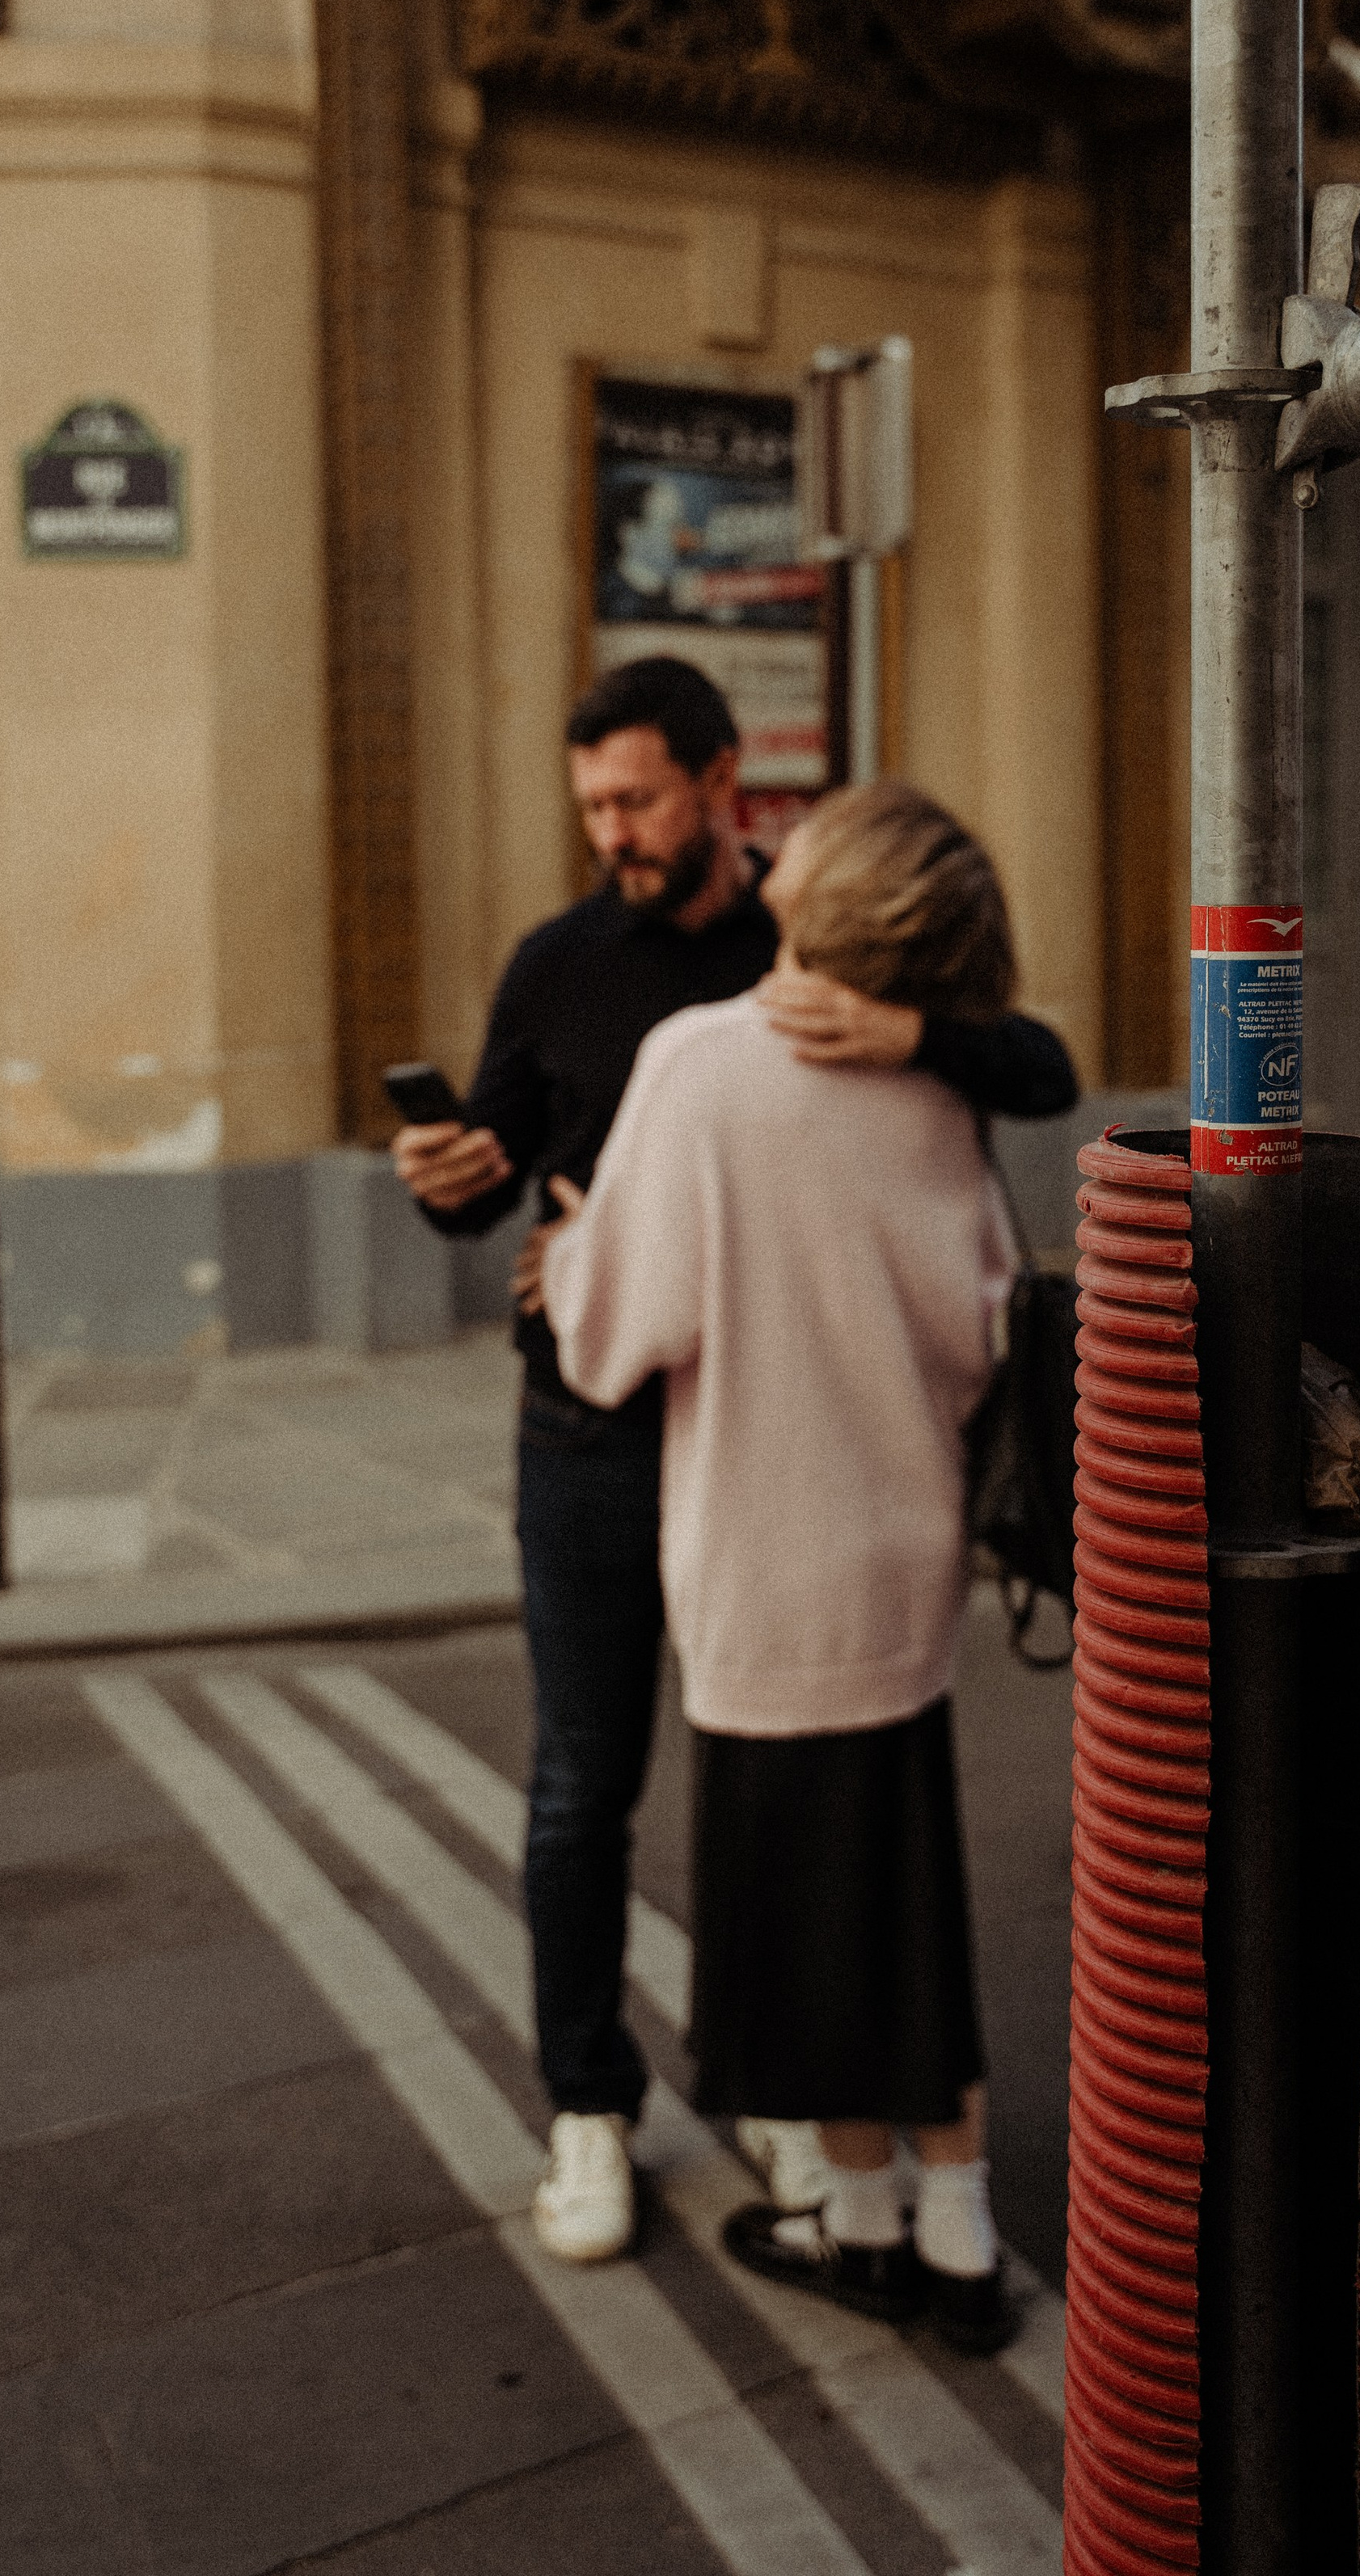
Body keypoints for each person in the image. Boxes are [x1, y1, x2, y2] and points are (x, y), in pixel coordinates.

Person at [395, 658, 1075, 2265]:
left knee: (772, 1816)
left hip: (752, 1451)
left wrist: (909, 1030)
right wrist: (451, 1179)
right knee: (590, 1788)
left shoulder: (816, 963)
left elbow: (1031, 1068)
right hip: (607, 1447)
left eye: (634, 799)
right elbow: (491, 1173)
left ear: (721, 786)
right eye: (590, 807)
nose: (611, 832)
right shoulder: (558, 964)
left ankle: (817, 2132)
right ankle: (595, 2106)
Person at [541, 780, 1021, 2351]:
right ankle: (950, 2229)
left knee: (799, 1932)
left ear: (837, 894)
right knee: (904, 1907)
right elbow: (984, 1322)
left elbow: (616, 1334)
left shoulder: (701, 1063)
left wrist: (571, 1251)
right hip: (901, 1562)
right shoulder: (932, 1077)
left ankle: (864, 2220)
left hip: (762, 1567)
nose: (779, 839)